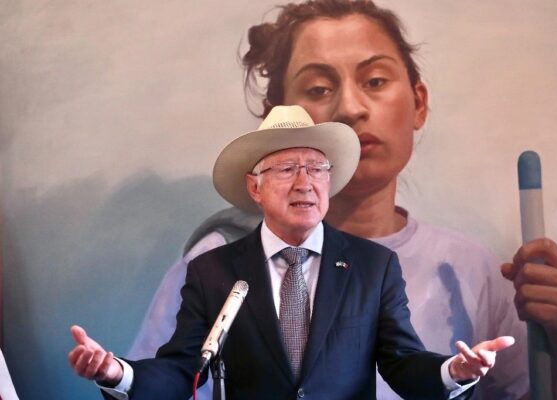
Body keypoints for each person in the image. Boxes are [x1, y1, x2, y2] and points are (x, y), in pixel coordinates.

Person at [128, 1, 557, 399]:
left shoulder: (472, 271)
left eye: (376, 80)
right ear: (273, 125)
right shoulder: (216, 265)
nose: (350, 108)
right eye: (319, 89)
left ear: (418, 102)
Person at [68, 105, 515, 399]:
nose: (305, 182)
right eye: (286, 168)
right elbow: (184, 368)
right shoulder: (213, 270)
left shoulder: (372, 266)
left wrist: (455, 371)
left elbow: (402, 363)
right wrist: (116, 374)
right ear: (254, 187)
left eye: (317, 168)